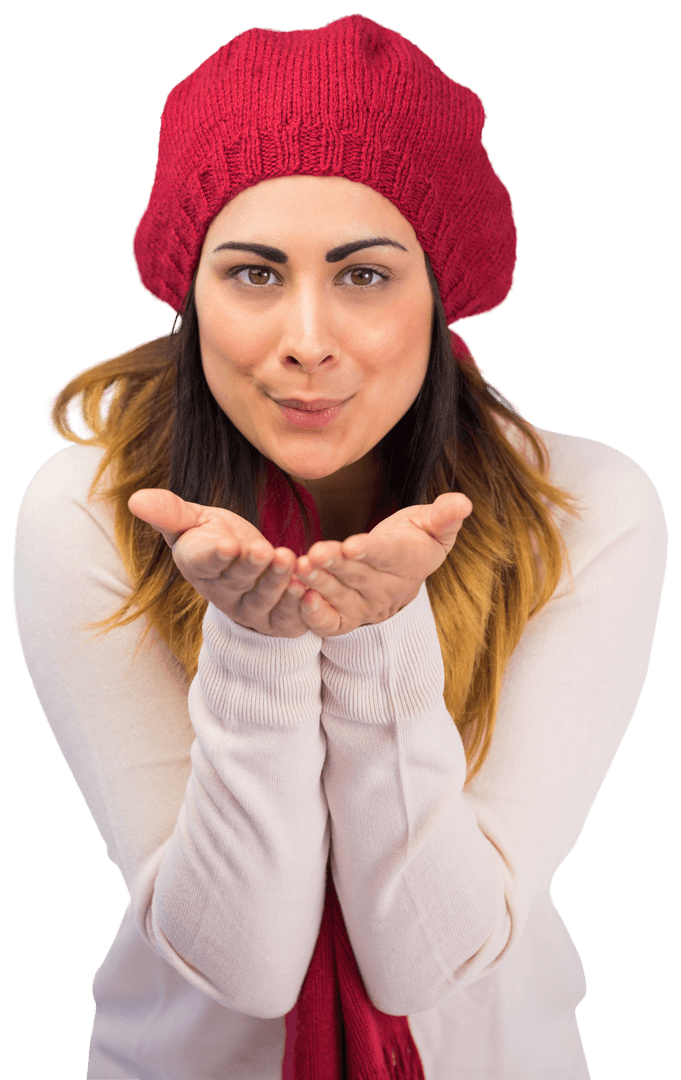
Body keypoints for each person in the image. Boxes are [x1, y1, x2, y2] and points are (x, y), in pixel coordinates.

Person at [12, 13, 667, 1080]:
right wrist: (261, 650)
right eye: (254, 274)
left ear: (439, 291)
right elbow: (245, 970)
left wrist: (377, 644)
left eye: (363, 275)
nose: (306, 337)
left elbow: (428, 958)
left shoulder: (587, 507)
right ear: (191, 296)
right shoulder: (94, 510)